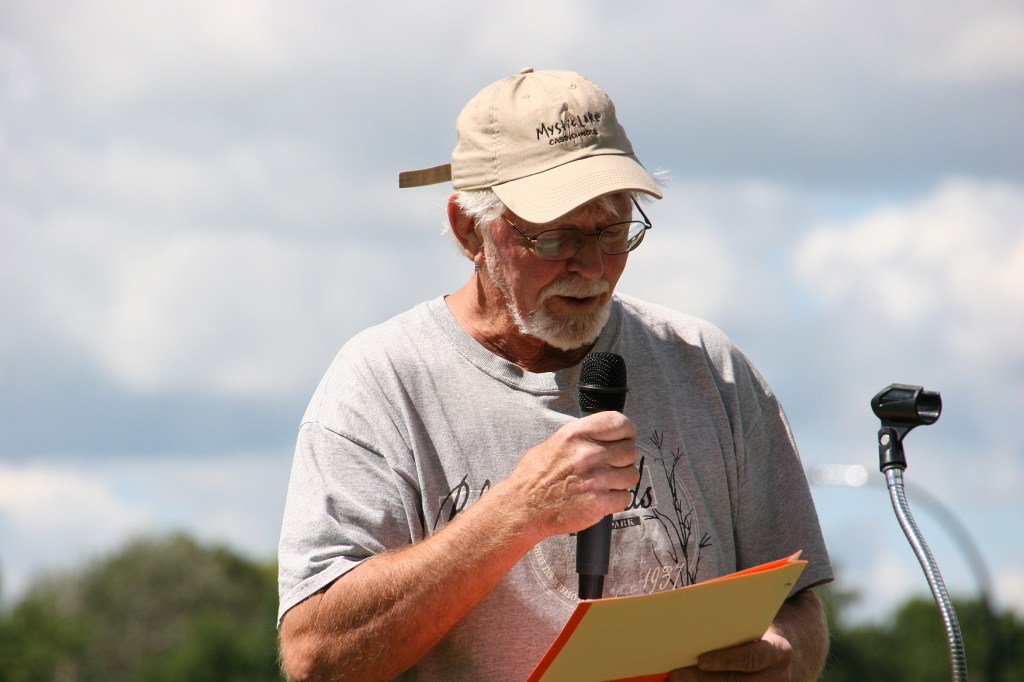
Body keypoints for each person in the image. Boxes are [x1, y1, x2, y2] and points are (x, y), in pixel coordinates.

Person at [277, 67, 832, 681]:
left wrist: (781, 656)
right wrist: (516, 512)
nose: (592, 266)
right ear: (470, 230)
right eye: (556, 237)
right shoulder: (382, 382)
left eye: (613, 229)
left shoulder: (710, 366)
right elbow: (317, 659)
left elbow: (798, 607)